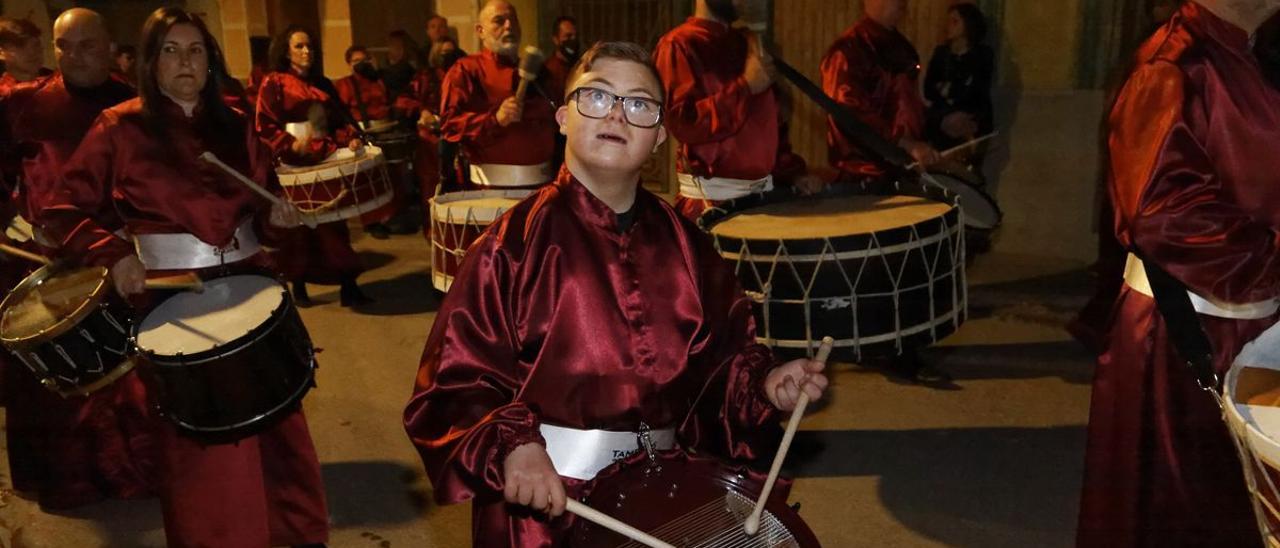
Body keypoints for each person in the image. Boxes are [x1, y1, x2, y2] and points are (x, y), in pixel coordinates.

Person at [404, 40, 829, 547]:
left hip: (669, 494)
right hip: (551, 507)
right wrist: (512, 445)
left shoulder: (690, 247)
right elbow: (451, 388)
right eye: (599, 97)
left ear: (659, 137)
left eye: (639, 104)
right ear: (563, 117)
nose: (618, 116)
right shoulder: (507, 247)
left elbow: (721, 364)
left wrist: (763, 385)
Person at [40, 9, 330, 546]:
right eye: (169, 51)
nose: (184, 62)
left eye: (195, 50)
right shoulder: (118, 126)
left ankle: (291, 535)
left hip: (250, 289)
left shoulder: (237, 123)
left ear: (211, 60)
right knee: (206, 447)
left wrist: (278, 218)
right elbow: (60, 212)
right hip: (172, 301)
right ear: (150, 62)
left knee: (276, 427)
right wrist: (112, 253)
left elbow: (262, 207)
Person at [1076, 1, 1280, 546]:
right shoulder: (1174, 65)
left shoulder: (1247, 53)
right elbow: (1163, 213)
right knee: (1177, 517)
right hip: (1183, 331)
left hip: (1245, 320)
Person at [0, 7, 154, 510]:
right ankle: (69, 481)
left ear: (109, 47)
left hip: (119, 258)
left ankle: (136, 472)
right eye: (66, 46)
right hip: (42, 260)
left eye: (88, 45)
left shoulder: (136, 104)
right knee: (55, 386)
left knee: (130, 376)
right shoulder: (21, 105)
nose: (76, 55)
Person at [820, 0, 949, 383]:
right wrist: (902, 143)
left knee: (906, 268)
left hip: (900, 170)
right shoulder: (848, 51)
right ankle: (889, 351)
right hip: (866, 173)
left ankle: (898, 345)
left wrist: (940, 125)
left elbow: (909, 107)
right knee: (880, 271)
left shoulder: (901, 46)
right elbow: (848, 112)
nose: (900, 3)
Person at [653, 0, 816, 221]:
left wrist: (792, 173)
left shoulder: (747, 43)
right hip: (709, 206)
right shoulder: (678, 45)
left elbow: (768, 122)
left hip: (763, 203)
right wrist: (746, 87)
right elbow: (685, 124)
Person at [255, 24, 373, 306]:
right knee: (299, 231)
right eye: (299, 46)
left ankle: (348, 286)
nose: (306, 51)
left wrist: (352, 138)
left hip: (326, 158)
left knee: (334, 225)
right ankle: (298, 286)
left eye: (309, 46)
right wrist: (289, 144)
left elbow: (340, 121)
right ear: (286, 51)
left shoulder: (322, 83)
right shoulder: (274, 82)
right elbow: (264, 124)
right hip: (293, 163)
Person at [438, 0, 559, 189]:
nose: (509, 25)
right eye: (499, 20)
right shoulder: (466, 70)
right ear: (480, 31)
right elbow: (450, 126)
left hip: (543, 188)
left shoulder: (540, 74)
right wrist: (495, 120)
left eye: (512, 20)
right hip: (491, 193)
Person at [922, 3, 994, 174]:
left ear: (968, 25)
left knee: (965, 172)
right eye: (948, 21)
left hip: (971, 121)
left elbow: (975, 90)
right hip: (942, 121)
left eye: (955, 21)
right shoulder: (941, 53)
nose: (948, 26)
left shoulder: (982, 55)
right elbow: (929, 89)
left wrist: (948, 88)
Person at [335, 45, 390, 123]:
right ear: (349, 64)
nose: (361, 63)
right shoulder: (345, 83)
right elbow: (341, 111)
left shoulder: (378, 81)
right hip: (360, 129)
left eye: (363, 60)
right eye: (356, 60)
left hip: (384, 125)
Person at [0, 17, 52, 90]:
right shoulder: (2, 93)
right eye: (20, 45)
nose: (32, 52)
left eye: (36, 44)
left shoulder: (60, 83)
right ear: (1, 52)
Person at [544, 15, 579, 94]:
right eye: (568, 36)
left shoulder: (580, 67)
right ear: (556, 40)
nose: (573, 39)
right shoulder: (547, 71)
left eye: (575, 36)